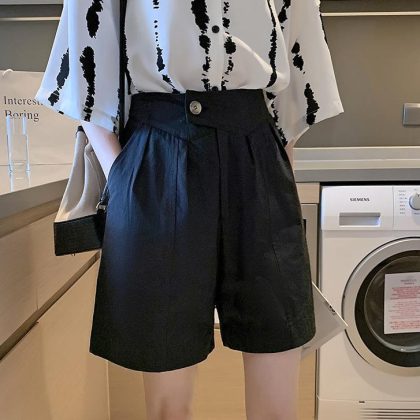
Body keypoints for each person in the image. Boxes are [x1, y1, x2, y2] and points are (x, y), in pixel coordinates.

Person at [35, 0, 344, 419]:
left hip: (257, 154)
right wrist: (123, 177)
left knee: (277, 392)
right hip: (159, 153)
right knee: (168, 404)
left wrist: (277, 171)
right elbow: (85, 53)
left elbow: (297, 53)